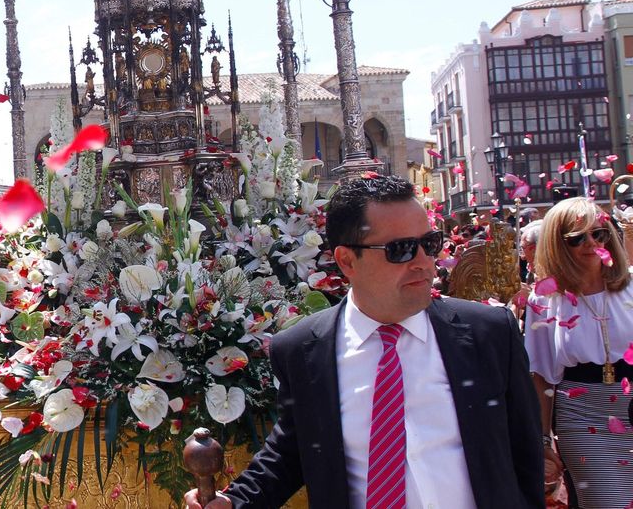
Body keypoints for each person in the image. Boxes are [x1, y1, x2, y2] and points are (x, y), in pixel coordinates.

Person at [185, 175, 543, 508]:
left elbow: (526, 458)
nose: (424, 263)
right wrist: (236, 501)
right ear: (346, 261)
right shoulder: (303, 350)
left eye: (429, 244)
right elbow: (295, 448)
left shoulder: (489, 334)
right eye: (401, 249)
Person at [524, 197, 633, 507]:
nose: (590, 244)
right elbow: (541, 376)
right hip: (583, 415)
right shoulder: (544, 300)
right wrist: (543, 440)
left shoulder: (631, 285)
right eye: (577, 238)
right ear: (557, 245)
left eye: (598, 234)